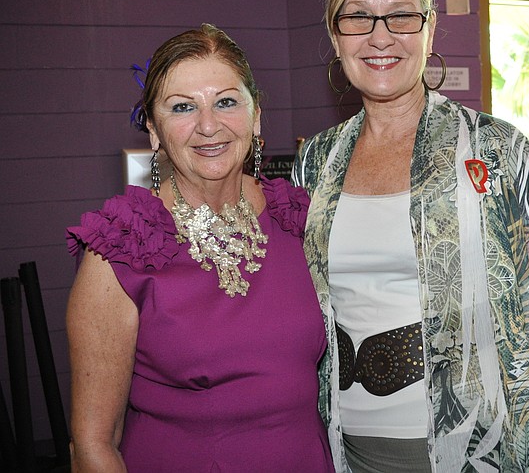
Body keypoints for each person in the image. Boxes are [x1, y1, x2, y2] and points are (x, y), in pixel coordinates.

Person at [291, 0, 529, 472]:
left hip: (478, 445)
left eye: (401, 16)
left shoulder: (494, 148)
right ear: (335, 35)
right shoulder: (318, 161)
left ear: (430, 27)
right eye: (358, 17)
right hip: (347, 443)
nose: (380, 37)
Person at [65, 24, 333, 471]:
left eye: (226, 102)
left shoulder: (299, 219)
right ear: (153, 130)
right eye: (183, 107)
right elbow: (93, 445)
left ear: (257, 116)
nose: (209, 125)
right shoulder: (120, 248)